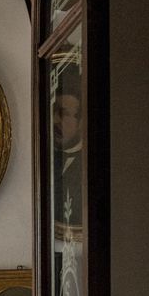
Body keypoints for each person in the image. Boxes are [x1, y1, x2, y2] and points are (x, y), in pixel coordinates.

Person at [53, 64, 82, 231]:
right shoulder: (49, 159)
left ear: (80, 122)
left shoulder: (88, 165)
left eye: (63, 113)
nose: (55, 120)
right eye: (54, 112)